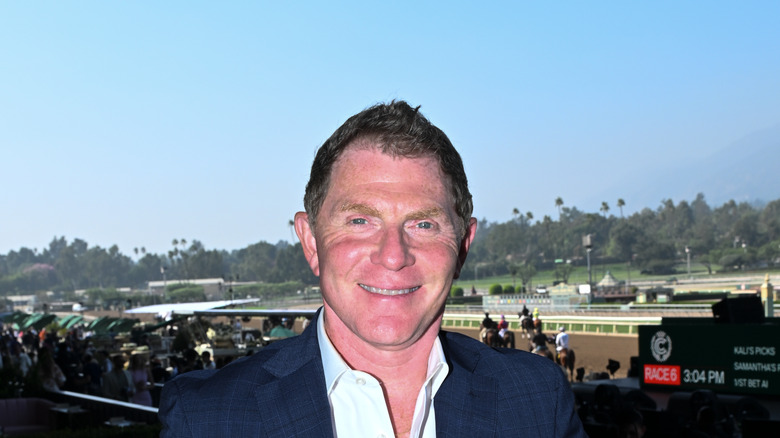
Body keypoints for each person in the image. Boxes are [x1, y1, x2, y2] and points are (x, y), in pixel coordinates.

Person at [158, 100, 586, 437]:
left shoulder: (536, 399)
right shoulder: (205, 417)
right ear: (311, 242)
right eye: (360, 221)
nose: (394, 255)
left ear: (462, 246)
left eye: (424, 223)